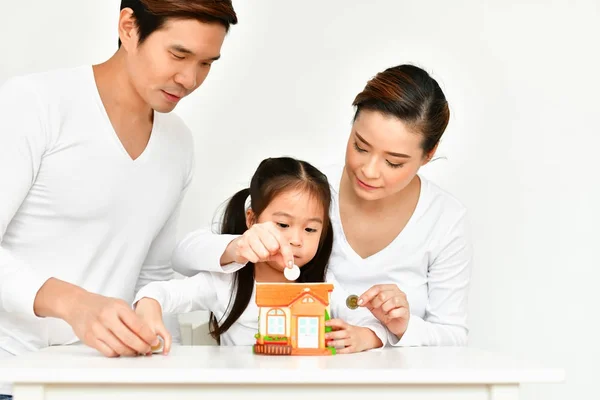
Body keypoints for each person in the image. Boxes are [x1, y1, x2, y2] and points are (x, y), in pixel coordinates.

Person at [0, 0, 237, 396]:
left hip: (105, 382)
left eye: (206, 63)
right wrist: (72, 303)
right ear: (129, 27)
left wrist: (165, 373)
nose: (190, 79)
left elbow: (153, 275)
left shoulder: (178, 142)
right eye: (178, 54)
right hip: (12, 375)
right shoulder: (33, 104)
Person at [172, 64, 473, 348]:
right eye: (360, 146)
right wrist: (236, 247)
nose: (369, 170)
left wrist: (397, 329)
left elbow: (453, 335)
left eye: (393, 162)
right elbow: (188, 258)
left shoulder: (445, 219)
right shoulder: (308, 190)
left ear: (428, 154)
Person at [134, 157, 386, 354]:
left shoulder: (323, 285)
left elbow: (369, 321)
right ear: (252, 219)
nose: (296, 240)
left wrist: (364, 336)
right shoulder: (225, 284)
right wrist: (148, 307)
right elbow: (160, 293)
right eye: (283, 225)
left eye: (310, 229)